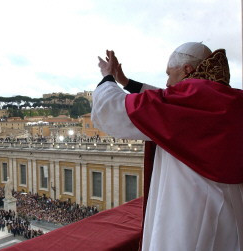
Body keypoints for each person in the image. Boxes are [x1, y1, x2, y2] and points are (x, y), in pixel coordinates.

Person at [92, 42, 243, 251]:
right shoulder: (230, 99)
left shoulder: (187, 100)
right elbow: (164, 101)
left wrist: (107, 76)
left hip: (191, 210)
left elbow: (111, 109)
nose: (167, 81)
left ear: (187, 70)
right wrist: (125, 82)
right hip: (231, 208)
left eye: (169, 73)